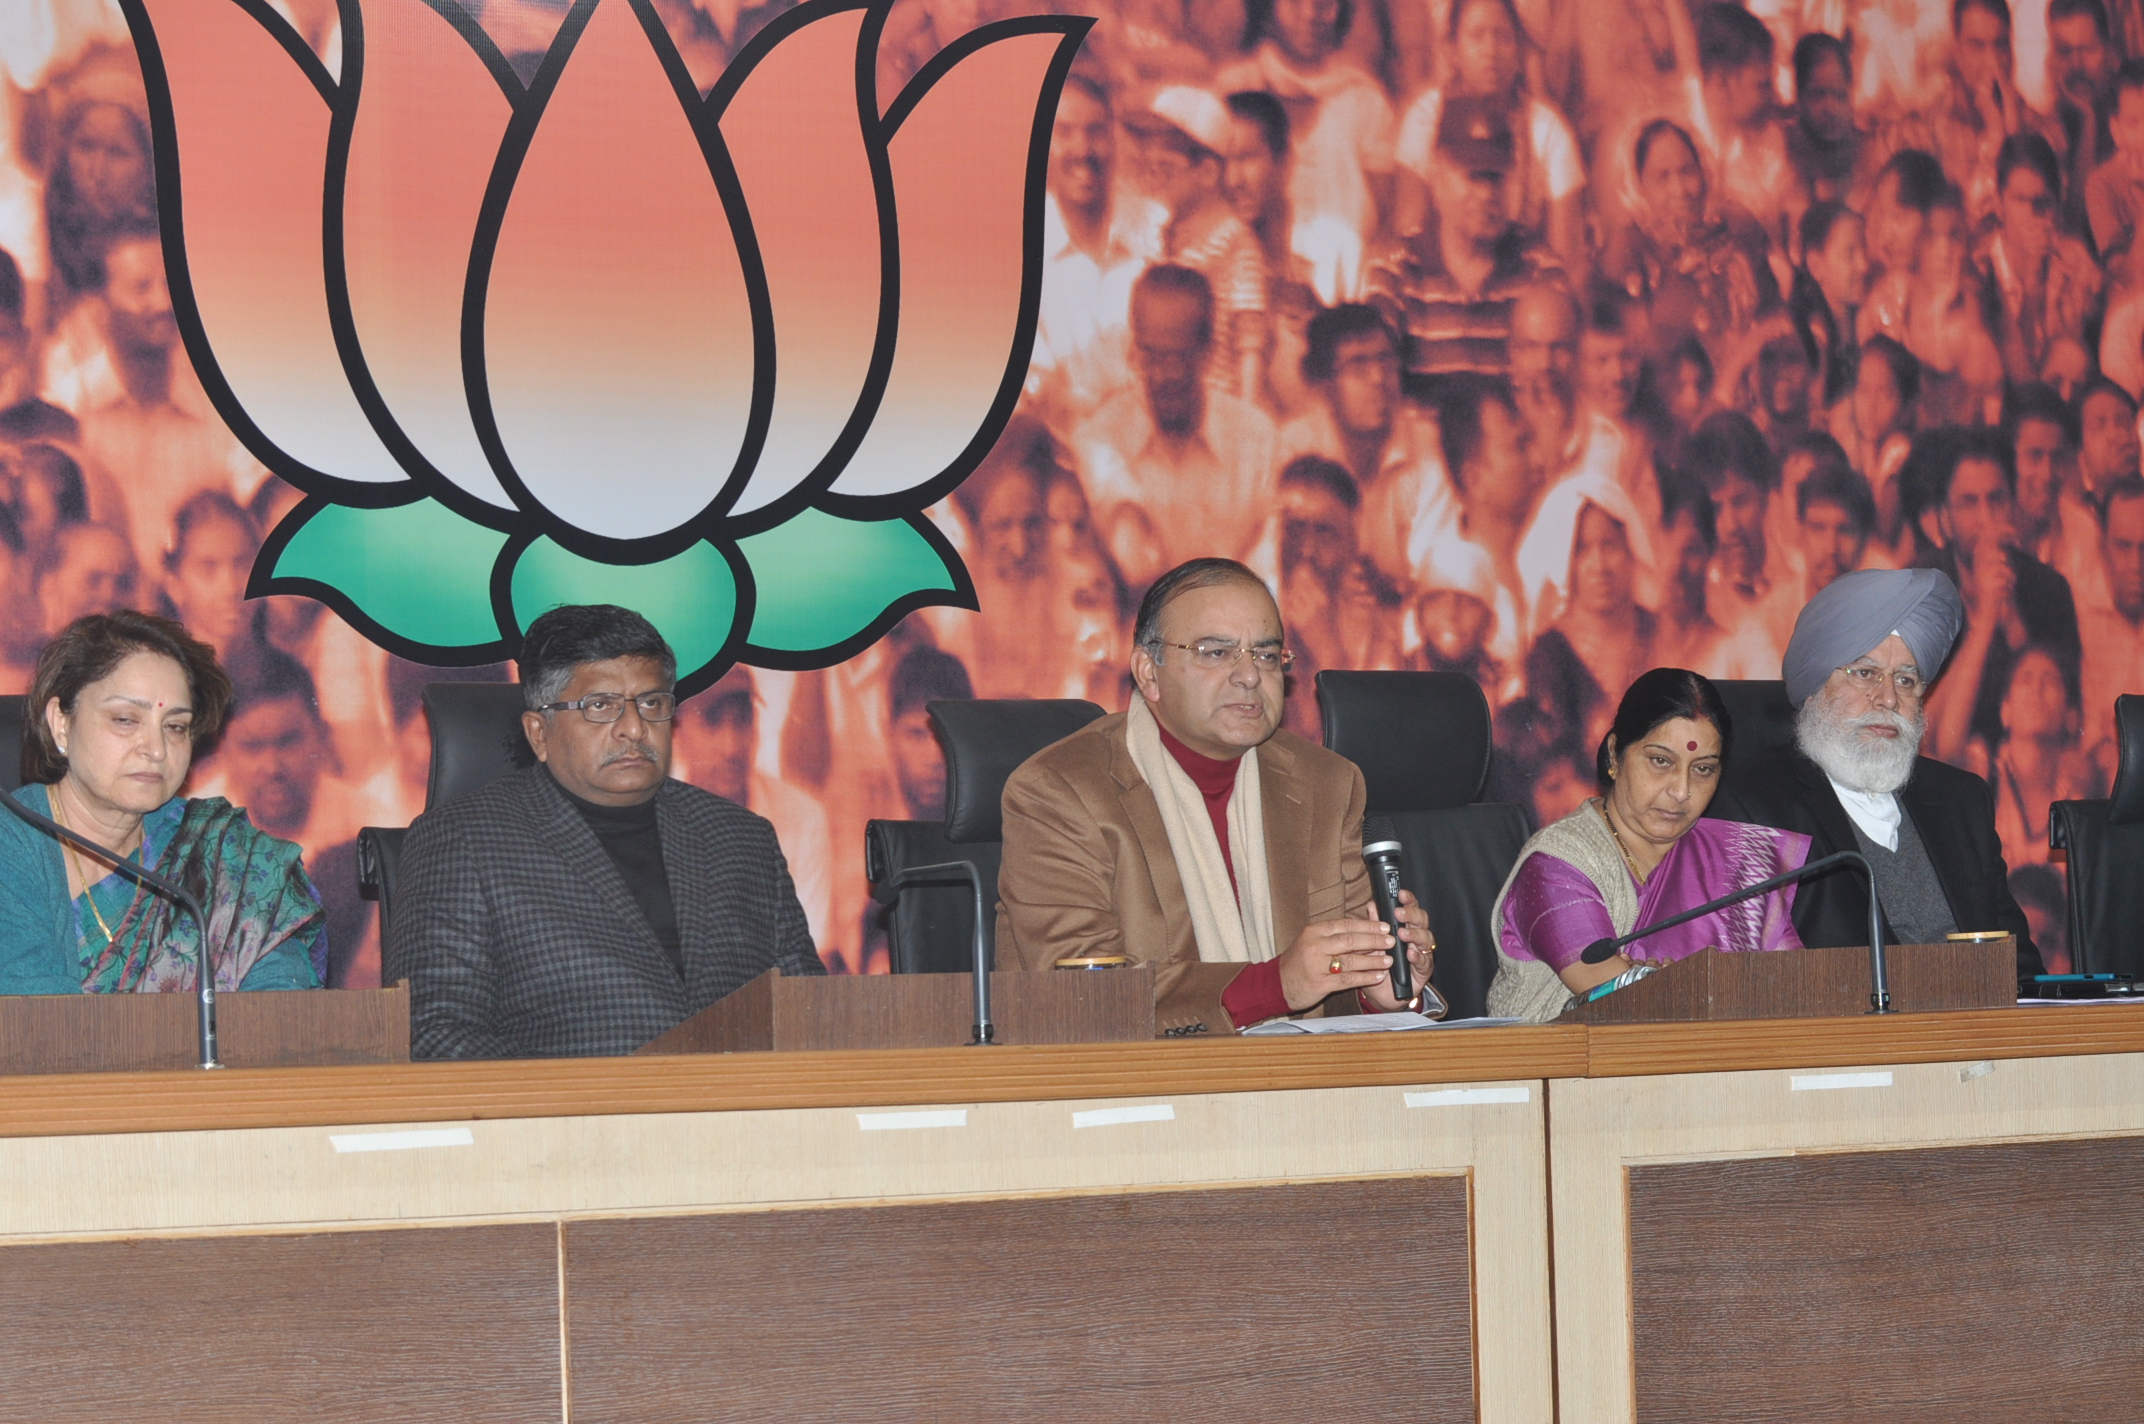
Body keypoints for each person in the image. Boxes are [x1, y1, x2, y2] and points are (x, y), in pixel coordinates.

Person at [995, 558, 1434, 1034]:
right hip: (1128, 1092)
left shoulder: (1326, 785)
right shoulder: (1058, 791)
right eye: (1215, 652)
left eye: (1267, 655)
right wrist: (1272, 985)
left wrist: (1379, 992)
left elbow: (1333, 996)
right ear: (1148, 672)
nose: (1249, 676)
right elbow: (1084, 996)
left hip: (1299, 1092)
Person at [390, 605, 822, 1059]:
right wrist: (600, 1101)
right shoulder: (462, 842)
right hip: (569, 1120)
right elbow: (432, 1032)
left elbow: (807, 1011)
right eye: (601, 706)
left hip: (750, 1117)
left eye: (652, 703)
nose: (634, 729)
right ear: (539, 733)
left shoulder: (742, 838)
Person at [1705, 568, 2044, 976]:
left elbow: (2019, 965)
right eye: (1864, 674)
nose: (1887, 698)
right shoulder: (1753, 802)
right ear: (1814, 687)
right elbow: (1744, 976)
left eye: (1906, 680)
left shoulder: (1961, 800)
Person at [0, 611, 322, 994]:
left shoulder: (220, 854)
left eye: (175, 726)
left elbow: (281, 1004)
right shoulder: (12, 845)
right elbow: (33, 1022)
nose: (156, 749)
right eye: (124, 720)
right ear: (61, 723)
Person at [1487, 667, 1809, 1023]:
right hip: (1562, 1071)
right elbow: (1621, 1001)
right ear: (1614, 753)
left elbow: (1795, 992)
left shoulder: (1738, 862)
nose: (1681, 790)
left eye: (1702, 769)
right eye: (1660, 761)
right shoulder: (1558, 865)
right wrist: (1683, 984)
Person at [1072, 264, 1278, 589]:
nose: (1161, 376)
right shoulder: (1101, 440)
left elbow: (1268, 577)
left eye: (1175, 358)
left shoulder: (1256, 442)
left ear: (1207, 352)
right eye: (1149, 356)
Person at [1909, 427, 2082, 760]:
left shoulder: (2050, 589)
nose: (1986, 520)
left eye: (1996, 500)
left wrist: (2012, 618)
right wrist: (1985, 619)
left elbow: (2063, 719)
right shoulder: (1918, 587)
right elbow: (1921, 732)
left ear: (2013, 501)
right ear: (1946, 515)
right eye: (1969, 504)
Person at [1368, 94, 1559, 392]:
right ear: (1436, 174)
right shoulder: (1396, 272)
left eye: (1495, 177)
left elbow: (1555, 389)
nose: (1486, 194)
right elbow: (1376, 382)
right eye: (1473, 177)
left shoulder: (1538, 270)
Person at [1392, 0, 1587, 272]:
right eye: (1476, 36)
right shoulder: (1426, 118)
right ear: (1453, 50)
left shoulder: (1548, 129)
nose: (1491, 51)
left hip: (1525, 285)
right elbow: (1409, 227)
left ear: (1520, 50)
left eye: (1503, 38)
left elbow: (1567, 256)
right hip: (1439, 281)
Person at [1277, 302, 1457, 588]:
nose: (1378, 379)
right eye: (1358, 366)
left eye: (1386, 361)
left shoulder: (1429, 448)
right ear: (1326, 385)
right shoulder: (1292, 450)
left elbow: (1432, 578)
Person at [1606, 118, 1778, 366]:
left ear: (1704, 172)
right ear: (1638, 186)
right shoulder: (1628, 252)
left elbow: (1775, 321)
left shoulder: (1737, 236)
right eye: (1662, 177)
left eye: (1687, 171)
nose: (1680, 190)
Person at [1982, 133, 2103, 389]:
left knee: (2072, 356)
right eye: (2020, 200)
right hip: (2001, 395)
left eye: (2043, 202)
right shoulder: (1980, 264)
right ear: (1999, 203)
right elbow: (2014, 368)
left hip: (2056, 402)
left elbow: (2080, 348)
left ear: (2057, 205)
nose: (2031, 214)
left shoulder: (2075, 260)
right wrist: (2032, 280)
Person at [1797, 455, 1879, 594]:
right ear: (1801, 532)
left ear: (1864, 540)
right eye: (1818, 529)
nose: (1831, 549)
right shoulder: (1771, 613)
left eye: (1845, 531)